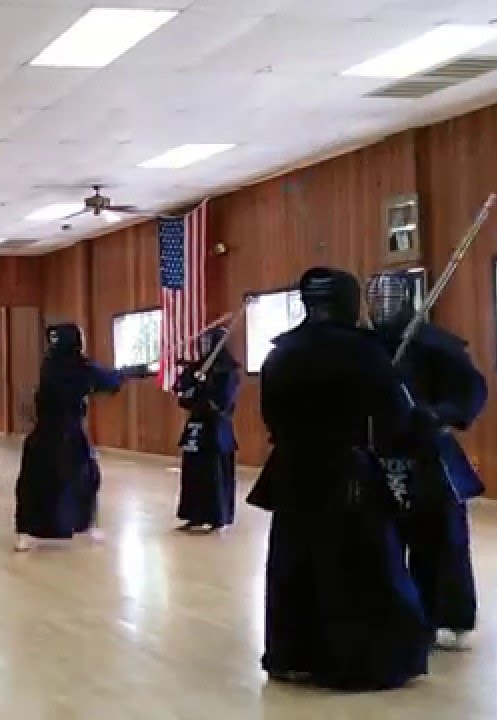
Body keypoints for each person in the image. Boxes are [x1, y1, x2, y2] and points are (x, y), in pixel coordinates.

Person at [248, 266, 431, 692]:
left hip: (293, 469)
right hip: (347, 472)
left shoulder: (280, 352)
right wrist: (422, 423)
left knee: (296, 561)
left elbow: (271, 417)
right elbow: (396, 416)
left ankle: (292, 656)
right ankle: (357, 662)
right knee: (358, 564)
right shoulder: (365, 353)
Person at [368, 270, 487, 651]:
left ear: (408, 298)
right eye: (376, 296)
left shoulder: (436, 345)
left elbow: (471, 391)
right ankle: (387, 612)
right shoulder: (363, 347)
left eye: (392, 296)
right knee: (377, 539)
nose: (383, 304)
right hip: (377, 453)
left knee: (440, 539)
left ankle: (444, 615)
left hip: (428, 455)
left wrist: (438, 413)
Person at [13, 323, 131, 552]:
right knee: (77, 478)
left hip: (46, 434)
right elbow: (107, 381)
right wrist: (121, 376)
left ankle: (34, 531)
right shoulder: (78, 367)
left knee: (45, 482)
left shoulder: (52, 364)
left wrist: (119, 376)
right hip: (66, 433)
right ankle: (75, 526)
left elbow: (99, 379)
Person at [172, 326, 241, 532]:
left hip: (216, 428)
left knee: (214, 473)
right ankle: (194, 515)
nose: (203, 346)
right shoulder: (197, 367)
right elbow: (181, 391)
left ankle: (217, 517)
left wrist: (205, 388)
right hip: (196, 427)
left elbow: (223, 402)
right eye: (201, 343)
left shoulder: (227, 371)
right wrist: (192, 382)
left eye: (207, 342)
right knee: (193, 472)